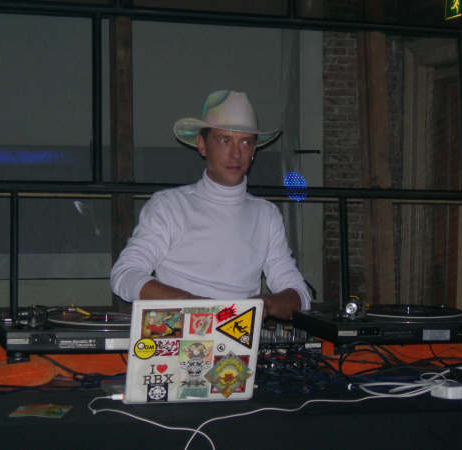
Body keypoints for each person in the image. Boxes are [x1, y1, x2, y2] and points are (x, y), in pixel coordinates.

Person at [110, 90, 311, 319]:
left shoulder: (266, 215)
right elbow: (125, 274)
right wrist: (194, 306)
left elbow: (300, 294)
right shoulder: (169, 206)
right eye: (225, 140)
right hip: (179, 334)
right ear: (202, 145)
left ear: (254, 151)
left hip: (240, 335)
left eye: (245, 142)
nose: (236, 154)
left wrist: (263, 305)